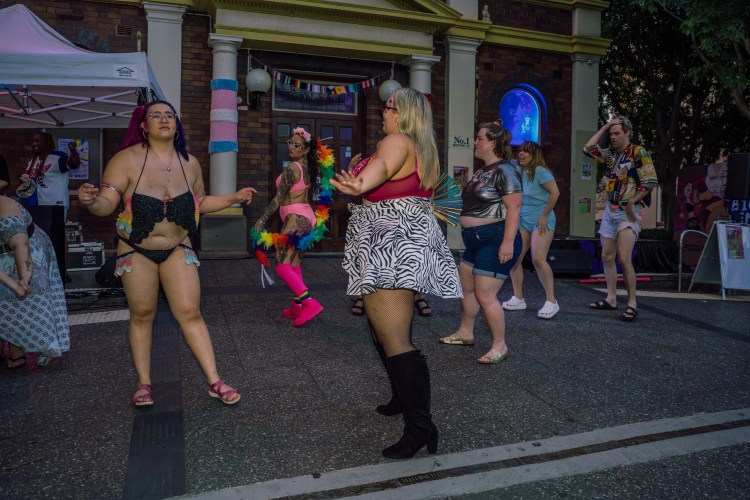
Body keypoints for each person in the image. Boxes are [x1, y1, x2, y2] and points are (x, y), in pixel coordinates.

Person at [77, 100, 256, 406]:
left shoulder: (190, 163)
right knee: (142, 315)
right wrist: (91, 201)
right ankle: (144, 383)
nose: (164, 119)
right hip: (136, 249)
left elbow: (199, 202)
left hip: (177, 247)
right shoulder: (126, 160)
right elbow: (107, 204)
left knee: (190, 312)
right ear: (143, 126)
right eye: (156, 115)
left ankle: (214, 381)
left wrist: (233, 198)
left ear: (177, 124)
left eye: (169, 116)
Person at [331, 87, 461, 459]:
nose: (383, 115)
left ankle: (421, 428)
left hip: (390, 247)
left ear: (402, 113)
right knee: (382, 329)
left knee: (396, 340)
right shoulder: (420, 146)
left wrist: (360, 182)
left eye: (387, 108)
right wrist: (364, 174)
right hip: (397, 242)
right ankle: (401, 398)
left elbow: (384, 168)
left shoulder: (397, 140)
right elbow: (388, 173)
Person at [438, 120, 522, 364]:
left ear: (492, 143)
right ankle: (466, 332)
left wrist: (507, 243)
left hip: (494, 239)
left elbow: (515, 208)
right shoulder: (482, 171)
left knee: (485, 294)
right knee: (466, 288)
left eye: (479, 138)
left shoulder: (505, 170)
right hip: (474, 241)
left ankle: (500, 345)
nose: (475, 142)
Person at [583, 115, 658, 321]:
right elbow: (588, 149)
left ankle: (632, 303)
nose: (613, 137)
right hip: (611, 209)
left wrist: (633, 201)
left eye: (617, 133)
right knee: (607, 256)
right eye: (611, 134)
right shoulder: (611, 155)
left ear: (628, 133)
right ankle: (611, 299)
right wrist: (606, 126)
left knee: (624, 258)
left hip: (628, 211)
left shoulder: (638, 152)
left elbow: (650, 181)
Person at [347, 150, 433, 318]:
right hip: (370, 216)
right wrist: (351, 167)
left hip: (398, 216)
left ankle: (419, 296)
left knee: (413, 259)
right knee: (363, 258)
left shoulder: (405, 159)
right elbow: (355, 185)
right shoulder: (370, 161)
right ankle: (361, 296)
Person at [253, 127, 324, 327]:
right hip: (306, 217)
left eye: (297, 145)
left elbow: (278, 198)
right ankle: (297, 306)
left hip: (296, 218)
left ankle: (309, 303)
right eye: (290, 143)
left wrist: (262, 220)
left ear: (306, 149)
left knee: (282, 264)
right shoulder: (307, 167)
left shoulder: (293, 168)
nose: (291, 147)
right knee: (294, 264)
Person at [0, 195, 70, 368]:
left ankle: (17, 348)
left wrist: (24, 279)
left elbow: (22, 246)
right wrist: (13, 285)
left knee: (24, 303)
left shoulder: (7, 210)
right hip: (5, 252)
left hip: (29, 248)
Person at [501, 141, 560, 319]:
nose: (521, 154)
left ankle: (551, 301)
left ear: (535, 155)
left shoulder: (541, 172)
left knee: (538, 259)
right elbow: (503, 159)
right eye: (520, 151)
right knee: (514, 259)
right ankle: (518, 298)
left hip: (542, 220)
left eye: (526, 152)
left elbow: (555, 193)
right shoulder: (519, 170)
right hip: (524, 220)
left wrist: (544, 215)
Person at [19, 132, 81, 283]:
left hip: (55, 205)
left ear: (47, 142)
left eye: (38, 140)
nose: (34, 143)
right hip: (35, 206)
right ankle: (42, 271)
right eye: (33, 140)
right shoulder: (32, 161)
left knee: (58, 237)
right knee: (36, 238)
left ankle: (62, 272)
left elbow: (74, 164)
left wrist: (73, 150)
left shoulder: (57, 157)